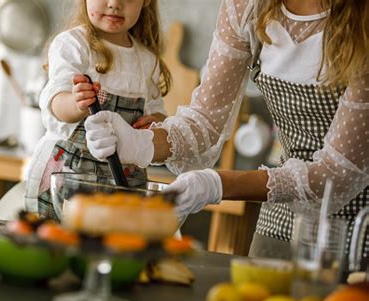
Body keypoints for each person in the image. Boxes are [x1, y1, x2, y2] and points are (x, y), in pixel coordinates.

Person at [85, 0, 368, 263]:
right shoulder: (247, 7)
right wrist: (140, 143)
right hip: (284, 204)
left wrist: (216, 185)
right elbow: (205, 120)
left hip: (361, 227)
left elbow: (337, 174)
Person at [24, 0, 171, 221]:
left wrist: (153, 124)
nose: (115, 4)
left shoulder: (147, 60)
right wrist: (75, 103)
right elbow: (55, 102)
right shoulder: (73, 44)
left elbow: (158, 113)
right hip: (69, 177)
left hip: (123, 182)